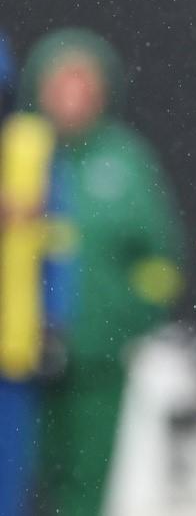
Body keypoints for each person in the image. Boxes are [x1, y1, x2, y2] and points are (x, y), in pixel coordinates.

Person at [21, 28, 185, 516]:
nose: (71, 98)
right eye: (60, 84)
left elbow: (160, 257)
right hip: (17, 361)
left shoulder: (125, 158)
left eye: (83, 84)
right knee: (22, 478)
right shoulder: (19, 153)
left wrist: (126, 319)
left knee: (86, 482)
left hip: (97, 359)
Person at [0, 33, 73, 516]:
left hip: (13, 347)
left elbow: (60, 245)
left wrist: (56, 318)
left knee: (10, 477)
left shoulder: (33, 148)